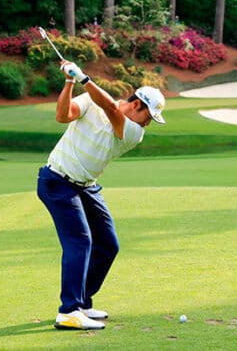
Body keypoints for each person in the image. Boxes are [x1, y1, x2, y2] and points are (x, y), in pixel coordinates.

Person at [37, 60, 166, 330]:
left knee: (108, 244)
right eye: (148, 117)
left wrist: (82, 77)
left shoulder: (133, 132)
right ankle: (68, 311)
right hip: (57, 181)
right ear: (137, 105)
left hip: (86, 186)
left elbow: (109, 108)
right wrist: (69, 82)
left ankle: (83, 301)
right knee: (81, 242)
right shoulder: (90, 101)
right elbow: (63, 115)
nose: (148, 124)